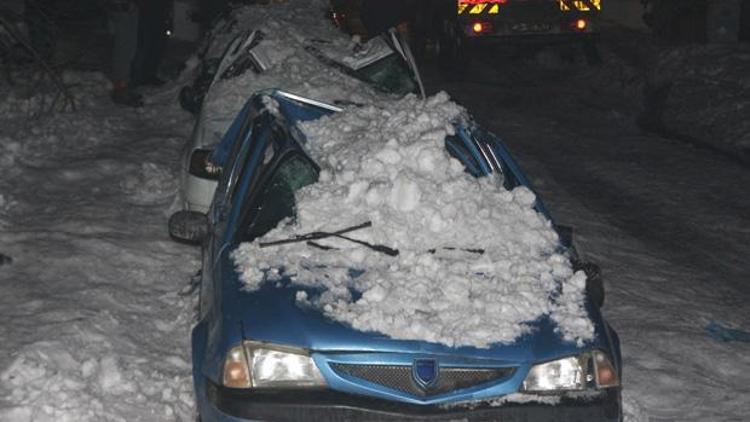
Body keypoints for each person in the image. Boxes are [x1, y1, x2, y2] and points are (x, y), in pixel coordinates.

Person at [107, 0, 142, 106]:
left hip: (127, 8)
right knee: (123, 51)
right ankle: (120, 90)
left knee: (128, 49)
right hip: (122, 7)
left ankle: (123, 86)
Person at [131, 0, 171, 87]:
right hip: (147, 12)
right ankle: (136, 76)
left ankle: (150, 74)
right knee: (144, 46)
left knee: (157, 46)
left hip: (160, 13)